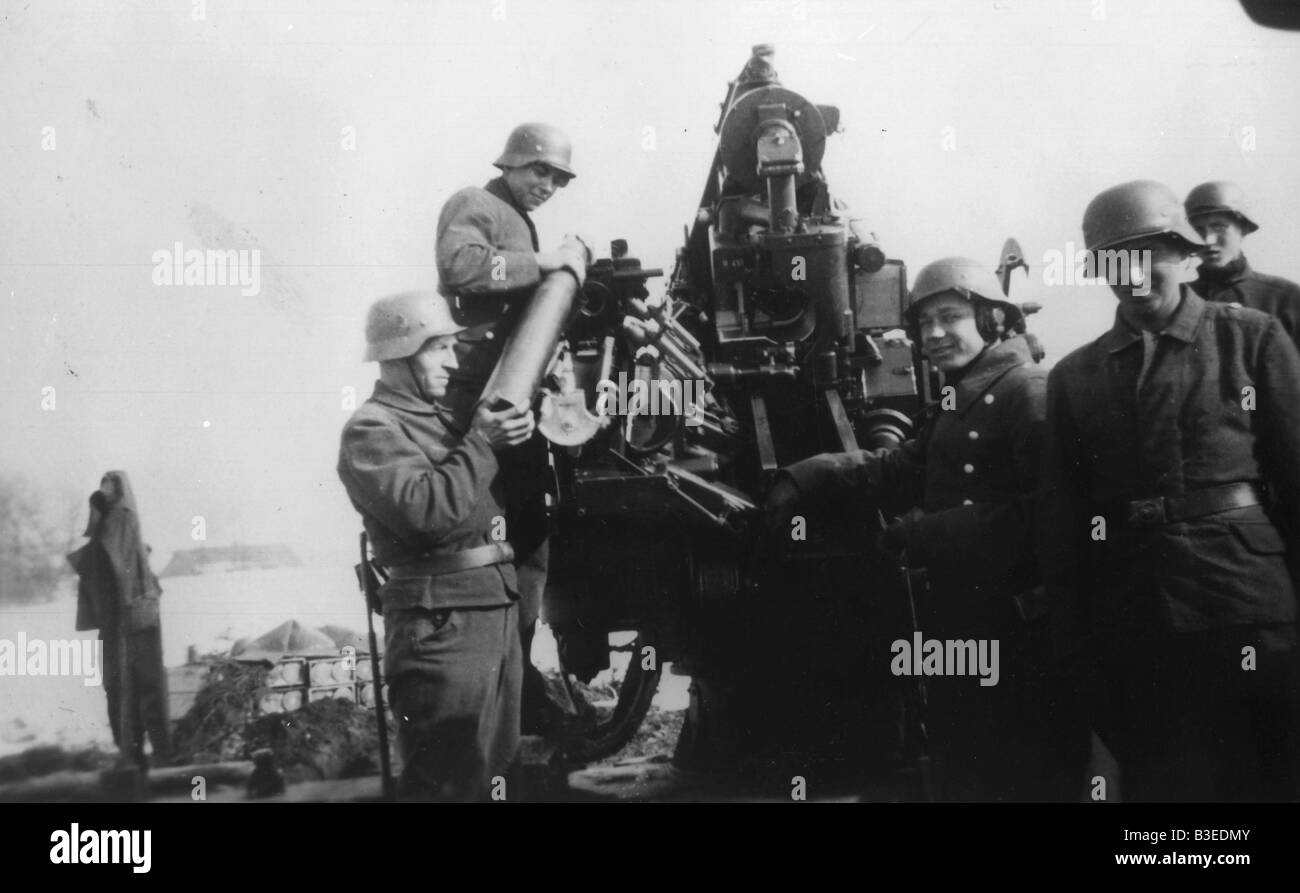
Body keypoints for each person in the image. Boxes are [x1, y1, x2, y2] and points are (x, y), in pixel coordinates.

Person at [765, 257, 1086, 801]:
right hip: (965, 620)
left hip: (1020, 633)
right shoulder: (962, 395)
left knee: (1023, 770)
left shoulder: (1027, 390)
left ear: (993, 321)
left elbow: (1055, 513)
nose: (933, 335)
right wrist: (811, 473)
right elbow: (902, 468)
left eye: (950, 318)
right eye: (923, 324)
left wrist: (927, 534)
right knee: (968, 764)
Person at [1041, 179, 1300, 802]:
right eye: (1111, 261)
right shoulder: (1076, 375)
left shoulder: (1252, 338)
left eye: (1145, 255)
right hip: (1135, 620)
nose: (1130, 274)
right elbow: (1064, 519)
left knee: (1268, 779)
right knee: (1168, 796)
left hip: (1248, 609)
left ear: (1182, 257)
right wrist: (1074, 639)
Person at [337, 291, 535, 801]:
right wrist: (483, 443)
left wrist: (518, 435)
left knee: (494, 772)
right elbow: (427, 515)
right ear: (399, 356)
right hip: (443, 624)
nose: (453, 359)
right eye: (437, 348)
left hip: (490, 608)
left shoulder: (444, 419)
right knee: (447, 782)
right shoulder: (371, 429)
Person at [434, 122, 591, 735]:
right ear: (511, 165)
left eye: (556, 178)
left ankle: (518, 684)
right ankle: (502, 694)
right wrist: (544, 261)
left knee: (528, 541)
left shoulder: (515, 219)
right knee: (501, 545)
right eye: (539, 172)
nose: (547, 185)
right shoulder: (476, 204)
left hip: (514, 403)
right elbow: (462, 268)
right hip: (478, 402)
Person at [67, 471, 171, 770]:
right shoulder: (106, 521)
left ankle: (157, 756)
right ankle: (133, 754)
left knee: (141, 686)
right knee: (118, 687)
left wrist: (128, 611)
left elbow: (124, 568)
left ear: (121, 489)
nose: (104, 487)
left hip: (133, 617)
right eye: (101, 482)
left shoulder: (123, 519)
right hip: (117, 620)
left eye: (110, 483)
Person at [1185, 180, 1300, 343]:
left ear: (1243, 229)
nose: (1209, 240)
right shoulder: (1179, 298)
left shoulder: (1284, 297)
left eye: (1219, 226)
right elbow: (1139, 284)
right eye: (1199, 229)